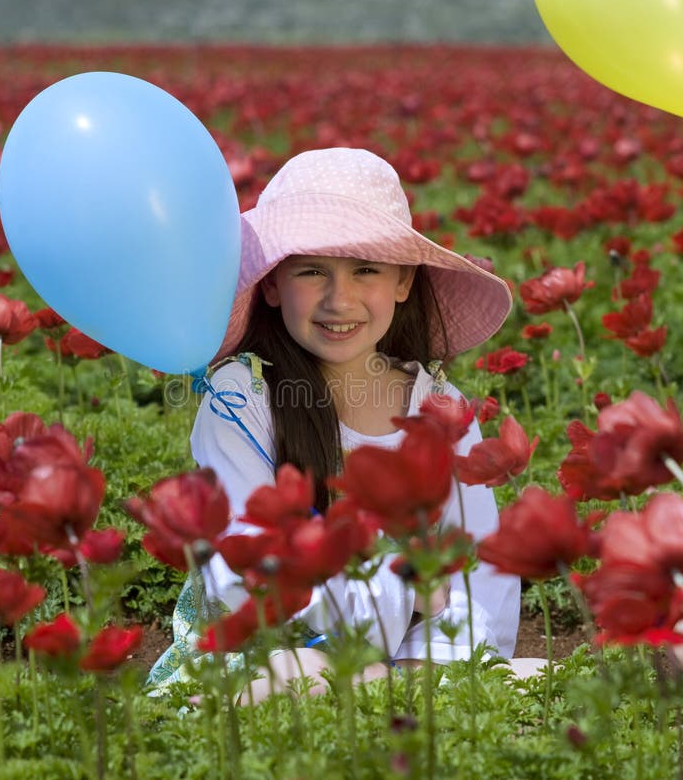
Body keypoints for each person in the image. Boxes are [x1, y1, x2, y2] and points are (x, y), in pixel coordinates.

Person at [149, 147, 533, 700]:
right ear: (273, 284)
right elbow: (247, 581)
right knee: (287, 680)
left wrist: (418, 666)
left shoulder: (441, 410)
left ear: (403, 282)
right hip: (257, 660)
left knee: (532, 677)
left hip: (408, 670)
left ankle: (383, 695)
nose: (339, 299)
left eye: (366, 270)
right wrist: (407, 590)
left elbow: (480, 585)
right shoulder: (242, 397)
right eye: (312, 271)